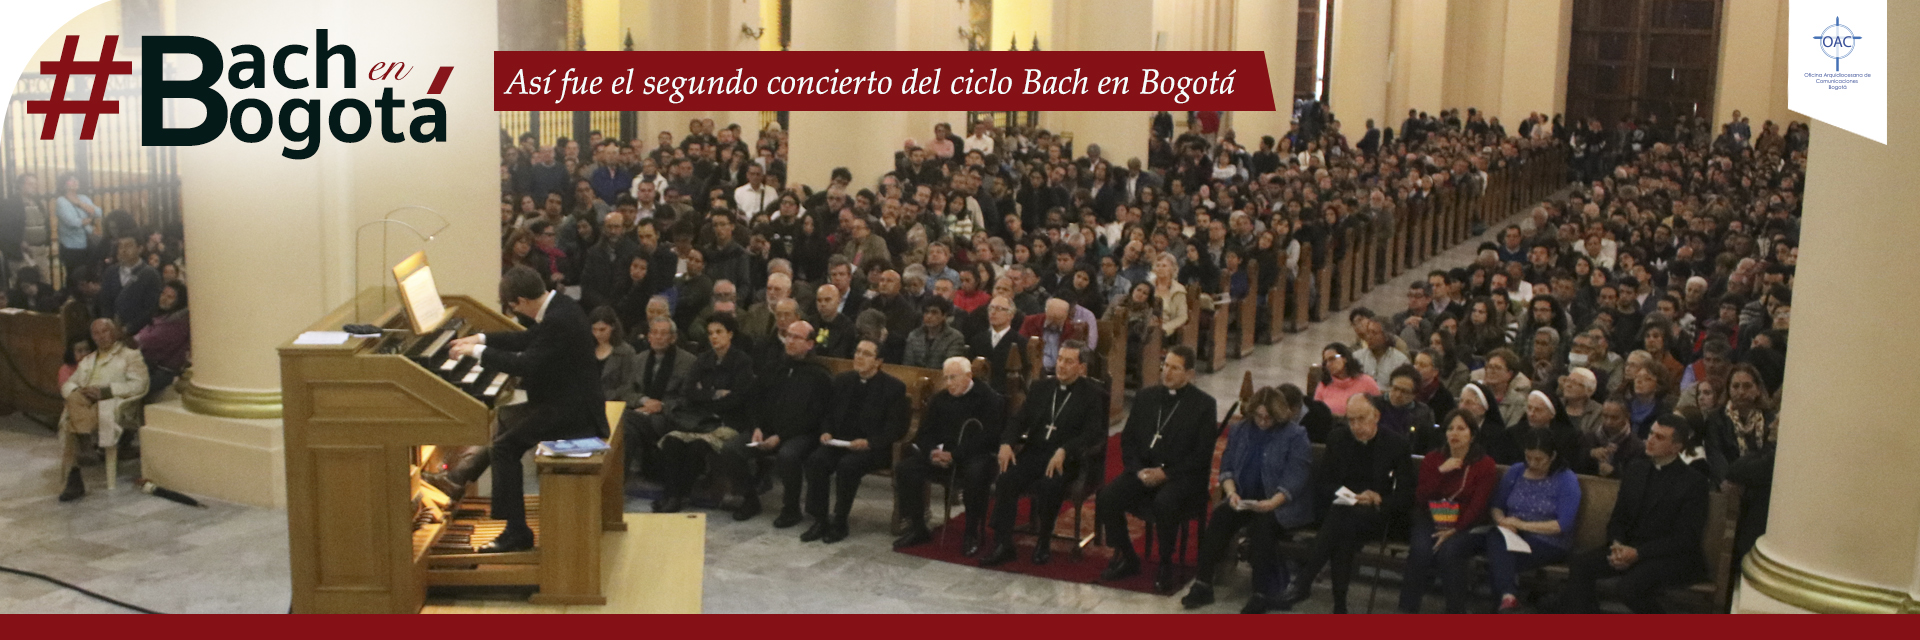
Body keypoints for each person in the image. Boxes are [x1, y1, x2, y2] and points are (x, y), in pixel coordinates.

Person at [433, 267, 606, 552]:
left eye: (513, 307)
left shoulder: (558, 320)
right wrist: (480, 339)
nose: (515, 312)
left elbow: (524, 364)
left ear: (522, 301)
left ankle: (516, 532)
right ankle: (456, 478)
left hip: (575, 412)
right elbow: (527, 339)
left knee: (505, 447)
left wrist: (477, 353)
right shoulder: (560, 305)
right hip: (565, 400)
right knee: (505, 417)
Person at [1549, 414, 1710, 614]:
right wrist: (1617, 544)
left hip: (1668, 557)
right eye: (1651, 433)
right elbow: (1619, 517)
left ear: (1676, 447)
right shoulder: (1636, 469)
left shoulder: (1694, 482)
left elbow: (1685, 538)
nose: (1650, 439)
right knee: (1582, 564)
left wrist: (1637, 553)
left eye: (1659, 437)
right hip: (1628, 548)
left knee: (1629, 587)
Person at [1097, 346, 1219, 593]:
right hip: (1144, 471)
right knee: (1108, 496)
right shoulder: (1146, 397)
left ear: (1190, 373)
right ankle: (1128, 557)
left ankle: (1165, 564)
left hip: (1181, 477)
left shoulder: (1204, 405)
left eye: (1175, 368)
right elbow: (1128, 440)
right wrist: (1138, 470)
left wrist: (1166, 474)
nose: (1167, 372)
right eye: (1166, 365)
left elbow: (1201, 455)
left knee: (1165, 502)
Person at [1181, 386, 1313, 613]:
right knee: (1220, 517)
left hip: (1281, 503)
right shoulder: (1240, 430)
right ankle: (1203, 583)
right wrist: (1232, 493)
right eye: (1258, 416)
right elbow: (1227, 467)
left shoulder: (1295, 435)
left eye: (1268, 417)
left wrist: (1272, 502)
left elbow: (1296, 477)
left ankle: (1261, 592)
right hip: (1245, 497)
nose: (1262, 421)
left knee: (1263, 528)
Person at [978, 340, 1108, 567]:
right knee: (1007, 478)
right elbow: (1019, 419)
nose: (1061, 365)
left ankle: (1044, 541)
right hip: (1036, 453)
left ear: (1081, 368)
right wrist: (1007, 443)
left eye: (1069, 362)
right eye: (1060, 359)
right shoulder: (1041, 388)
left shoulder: (1093, 395)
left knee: (1050, 485)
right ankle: (1003, 543)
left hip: (1069, 460)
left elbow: (1093, 433)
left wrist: (1065, 450)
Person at [1279, 394, 1412, 613]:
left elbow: (1406, 494)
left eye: (1362, 419)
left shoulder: (1396, 445)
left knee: (1340, 519)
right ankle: (1339, 606)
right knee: (1344, 526)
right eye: (1351, 420)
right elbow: (1324, 484)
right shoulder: (1338, 439)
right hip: (1343, 511)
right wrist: (1347, 495)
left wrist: (1378, 498)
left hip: (1377, 516)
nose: (1356, 426)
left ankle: (1303, 582)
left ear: (1376, 416)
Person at [893, 357, 1006, 556]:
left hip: (974, 456)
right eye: (946, 378)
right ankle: (918, 527)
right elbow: (924, 433)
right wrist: (932, 452)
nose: (948, 383)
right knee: (906, 469)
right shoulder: (940, 399)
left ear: (969, 376)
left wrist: (955, 455)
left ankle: (971, 533)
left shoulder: (989, 399)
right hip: (943, 455)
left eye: (953, 377)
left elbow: (989, 437)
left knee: (976, 474)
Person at [724, 320, 831, 525]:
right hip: (766, 430)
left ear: (810, 344)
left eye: (796, 337)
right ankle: (749, 499)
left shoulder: (819, 375)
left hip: (801, 433)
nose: (789, 341)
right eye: (788, 336)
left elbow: (814, 415)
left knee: (788, 455)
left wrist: (781, 436)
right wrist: (756, 427)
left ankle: (791, 509)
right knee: (731, 449)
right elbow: (754, 399)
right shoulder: (773, 367)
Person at [804, 339, 909, 543]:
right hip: (840, 442)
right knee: (816, 460)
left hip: (873, 448)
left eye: (866, 354)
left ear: (878, 361)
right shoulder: (842, 380)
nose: (859, 357)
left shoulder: (893, 388)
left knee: (848, 466)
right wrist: (826, 431)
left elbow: (896, 428)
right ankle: (820, 519)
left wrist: (869, 442)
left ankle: (839, 522)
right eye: (857, 351)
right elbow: (828, 413)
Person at [1398, 410, 1497, 614]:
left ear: (1472, 434)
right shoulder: (1433, 459)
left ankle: (1455, 611)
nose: (1454, 433)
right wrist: (1441, 472)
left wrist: (1455, 529)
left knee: (1450, 551)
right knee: (1420, 550)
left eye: (1461, 428)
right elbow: (1421, 498)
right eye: (1450, 428)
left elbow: (1478, 505)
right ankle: (1407, 609)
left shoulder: (1485, 465)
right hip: (1431, 517)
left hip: (1466, 523)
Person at [1486, 428, 1583, 613]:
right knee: (1495, 537)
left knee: (1499, 559)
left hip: (1548, 541)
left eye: (1539, 459)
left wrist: (1521, 524)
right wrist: (1503, 521)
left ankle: (1506, 601)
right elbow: (1497, 505)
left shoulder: (1565, 479)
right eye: (1528, 457)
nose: (1532, 463)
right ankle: (1508, 600)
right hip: (1512, 534)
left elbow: (1563, 524)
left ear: (1552, 456)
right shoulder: (1516, 471)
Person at [55, 318, 149, 502]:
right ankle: (83, 445)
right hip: (85, 402)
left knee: (71, 423)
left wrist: (105, 391)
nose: (101, 336)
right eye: (96, 333)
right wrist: (80, 390)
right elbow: (68, 384)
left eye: (104, 331)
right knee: (73, 398)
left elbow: (139, 385)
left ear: (114, 333)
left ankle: (75, 476)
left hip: (111, 402)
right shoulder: (88, 360)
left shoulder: (130, 356)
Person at [620, 316, 694, 482]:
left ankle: (619, 481)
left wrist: (662, 405)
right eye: (654, 333)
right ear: (649, 336)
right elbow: (627, 391)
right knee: (626, 431)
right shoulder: (639, 359)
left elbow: (688, 398)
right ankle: (618, 480)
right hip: (640, 413)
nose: (658, 337)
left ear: (673, 338)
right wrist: (644, 400)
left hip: (669, 416)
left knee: (622, 420)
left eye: (663, 333)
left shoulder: (688, 361)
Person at [134, 280, 190, 402]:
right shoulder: (163, 315)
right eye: (163, 294)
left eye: (170, 297)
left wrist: (138, 340)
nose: (164, 298)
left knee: (132, 386)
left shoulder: (179, 322)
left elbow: (149, 341)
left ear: (179, 301)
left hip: (164, 372)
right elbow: (144, 333)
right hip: (149, 364)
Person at [97, 237, 162, 335]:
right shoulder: (110, 272)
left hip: (141, 333)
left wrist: (128, 328)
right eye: (120, 247)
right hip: (112, 331)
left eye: (128, 246)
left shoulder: (150, 275)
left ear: (139, 249)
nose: (123, 250)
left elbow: (151, 308)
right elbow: (105, 302)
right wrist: (110, 325)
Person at [1377, 364, 1439, 453]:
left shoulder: (1423, 415)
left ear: (1414, 394)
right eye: (1395, 388)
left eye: (1404, 391)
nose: (1398, 395)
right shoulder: (1374, 406)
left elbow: (1426, 446)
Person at [1576, 397, 1643, 478]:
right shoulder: (1589, 438)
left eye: (1614, 418)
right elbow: (1576, 465)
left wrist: (1614, 471)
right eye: (1605, 416)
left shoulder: (1637, 447)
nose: (1608, 422)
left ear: (1627, 417)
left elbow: (1637, 476)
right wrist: (1590, 454)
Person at [967, 295, 1021, 391]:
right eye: (991, 308)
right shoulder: (977, 340)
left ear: (1011, 315)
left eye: (999, 309)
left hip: (1006, 392)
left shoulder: (1019, 342)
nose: (993, 312)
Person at [1313, 342, 1380, 417]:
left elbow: (1379, 410)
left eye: (1332, 359)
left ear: (1345, 358)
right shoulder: (1323, 386)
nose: (1328, 364)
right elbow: (1316, 414)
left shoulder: (1367, 382)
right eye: (1326, 361)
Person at [902, 297, 966, 369]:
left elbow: (950, 366)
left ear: (944, 316)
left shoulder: (955, 338)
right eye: (926, 312)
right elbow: (907, 365)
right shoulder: (914, 335)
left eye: (934, 312)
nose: (929, 316)